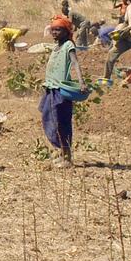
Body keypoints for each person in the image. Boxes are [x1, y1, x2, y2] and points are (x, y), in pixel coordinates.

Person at [39, 14, 86, 167]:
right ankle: (61, 152)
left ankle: (67, 158)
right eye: (53, 30)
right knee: (49, 119)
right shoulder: (56, 47)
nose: (55, 33)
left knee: (62, 122)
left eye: (58, 30)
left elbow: (75, 63)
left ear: (66, 31)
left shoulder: (68, 46)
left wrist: (81, 81)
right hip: (50, 89)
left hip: (61, 90)